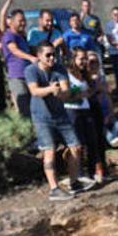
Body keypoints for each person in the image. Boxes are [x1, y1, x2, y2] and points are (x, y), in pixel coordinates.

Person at [24, 42, 85, 201]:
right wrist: (51, 89)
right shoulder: (31, 70)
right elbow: (34, 91)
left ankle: (74, 182)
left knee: (76, 147)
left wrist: (60, 93)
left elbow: (66, 91)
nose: (52, 58)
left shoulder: (59, 68)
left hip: (60, 115)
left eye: (53, 54)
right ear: (39, 56)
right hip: (41, 117)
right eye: (48, 55)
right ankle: (54, 188)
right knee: (49, 151)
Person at [63, 47, 103, 187]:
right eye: (81, 58)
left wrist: (94, 88)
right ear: (73, 59)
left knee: (92, 141)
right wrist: (79, 94)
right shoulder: (67, 75)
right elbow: (65, 95)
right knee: (77, 145)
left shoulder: (84, 74)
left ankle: (92, 173)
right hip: (72, 111)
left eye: (85, 58)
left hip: (86, 109)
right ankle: (78, 174)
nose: (84, 61)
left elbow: (88, 92)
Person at [1, 0, 38, 118]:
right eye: (20, 20)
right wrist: (31, 58)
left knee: (34, 107)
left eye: (24, 20)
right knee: (24, 110)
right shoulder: (9, 35)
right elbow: (14, 51)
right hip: (17, 77)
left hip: (28, 75)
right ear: (11, 22)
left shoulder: (22, 37)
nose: (23, 23)